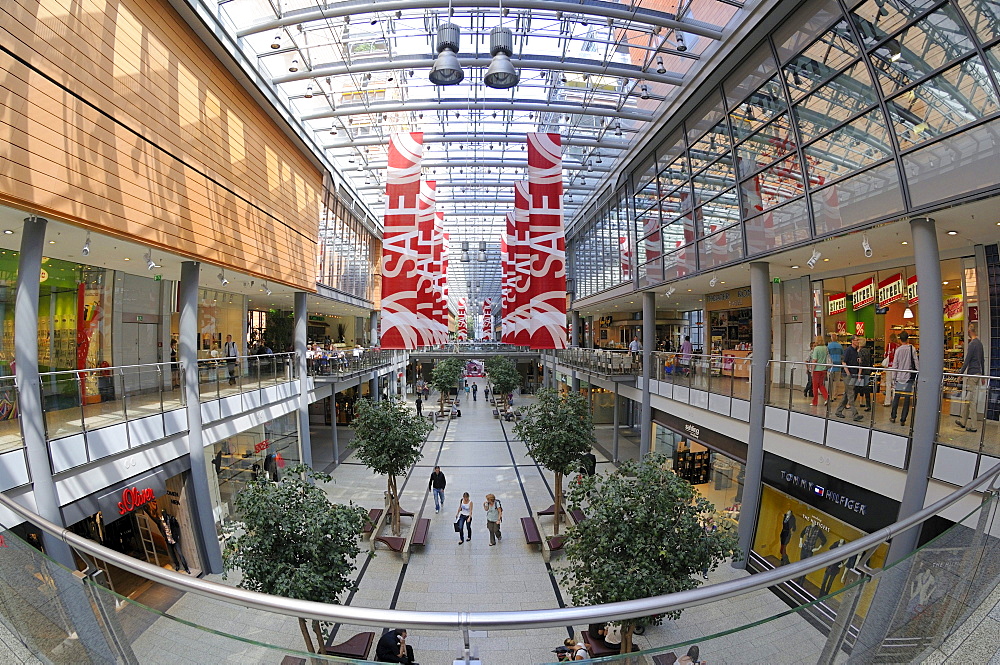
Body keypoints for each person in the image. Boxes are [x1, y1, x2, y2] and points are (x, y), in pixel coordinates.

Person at [956, 323, 985, 432]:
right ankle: (963, 421)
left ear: (970, 331)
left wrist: (960, 374)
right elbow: (982, 360)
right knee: (968, 399)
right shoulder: (980, 344)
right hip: (977, 374)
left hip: (972, 375)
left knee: (971, 401)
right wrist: (983, 375)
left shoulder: (972, 344)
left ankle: (973, 426)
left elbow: (967, 360)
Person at [889, 331, 919, 426]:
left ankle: (893, 416)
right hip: (909, 376)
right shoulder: (912, 348)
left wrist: (893, 377)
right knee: (907, 399)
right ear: (908, 338)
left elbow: (895, 364)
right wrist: (918, 372)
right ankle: (903, 419)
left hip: (899, 377)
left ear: (899, 339)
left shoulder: (898, 350)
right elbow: (916, 361)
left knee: (896, 397)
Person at [835, 335, 864, 422]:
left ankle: (838, 411)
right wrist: (848, 373)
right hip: (848, 375)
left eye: (858, 340)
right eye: (856, 340)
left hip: (853, 374)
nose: (858, 341)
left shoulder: (857, 351)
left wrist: (858, 374)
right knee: (851, 393)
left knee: (847, 394)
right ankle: (855, 414)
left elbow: (859, 363)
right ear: (852, 341)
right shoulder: (848, 350)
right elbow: (844, 362)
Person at [809, 335, 830, 407]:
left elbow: (814, 360)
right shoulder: (825, 348)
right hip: (823, 369)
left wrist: (812, 370)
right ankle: (827, 398)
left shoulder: (816, 349)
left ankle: (815, 402)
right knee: (821, 385)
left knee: (815, 386)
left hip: (817, 370)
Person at [882, 332, 900, 406]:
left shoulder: (889, 345)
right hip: (896, 367)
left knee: (888, 384)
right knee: (895, 384)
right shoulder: (898, 346)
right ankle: (895, 400)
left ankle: (887, 401)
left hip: (889, 366)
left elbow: (886, 355)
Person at [826, 332, 843, 398]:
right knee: (837, 382)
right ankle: (835, 395)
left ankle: (830, 395)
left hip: (831, 366)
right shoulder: (840, 345)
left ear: (831, 338)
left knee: (830, 382)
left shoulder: (829, 346)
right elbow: (842, 354)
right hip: (838, 365)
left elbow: (827, 354)